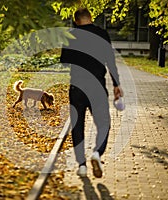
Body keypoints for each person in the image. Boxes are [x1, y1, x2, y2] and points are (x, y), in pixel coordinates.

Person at [60, 8, 123, 178]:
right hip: (97, 87)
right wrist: (117, 84)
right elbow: (111, 61)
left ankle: (81, 166)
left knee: (78, 126)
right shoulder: (102, 34)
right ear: (91, 18)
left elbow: (65, 61)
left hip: (77, 88)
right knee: (103, 123)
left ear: (76, 20)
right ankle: (97, 153)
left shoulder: (71, 34)